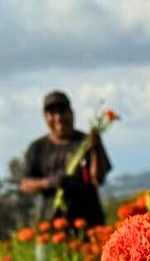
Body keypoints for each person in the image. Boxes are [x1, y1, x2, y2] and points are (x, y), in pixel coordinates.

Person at [20, 91, 111, 228]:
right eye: (52, 113)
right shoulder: (37, 147)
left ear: (71, 113)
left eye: (62, 112)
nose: (58, 118)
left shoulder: (87, 142)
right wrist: (48, 182)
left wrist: (95, 148)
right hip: (50, 223)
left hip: (89, 221)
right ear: (45, 117)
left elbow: (98, 179)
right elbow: (25, 184)